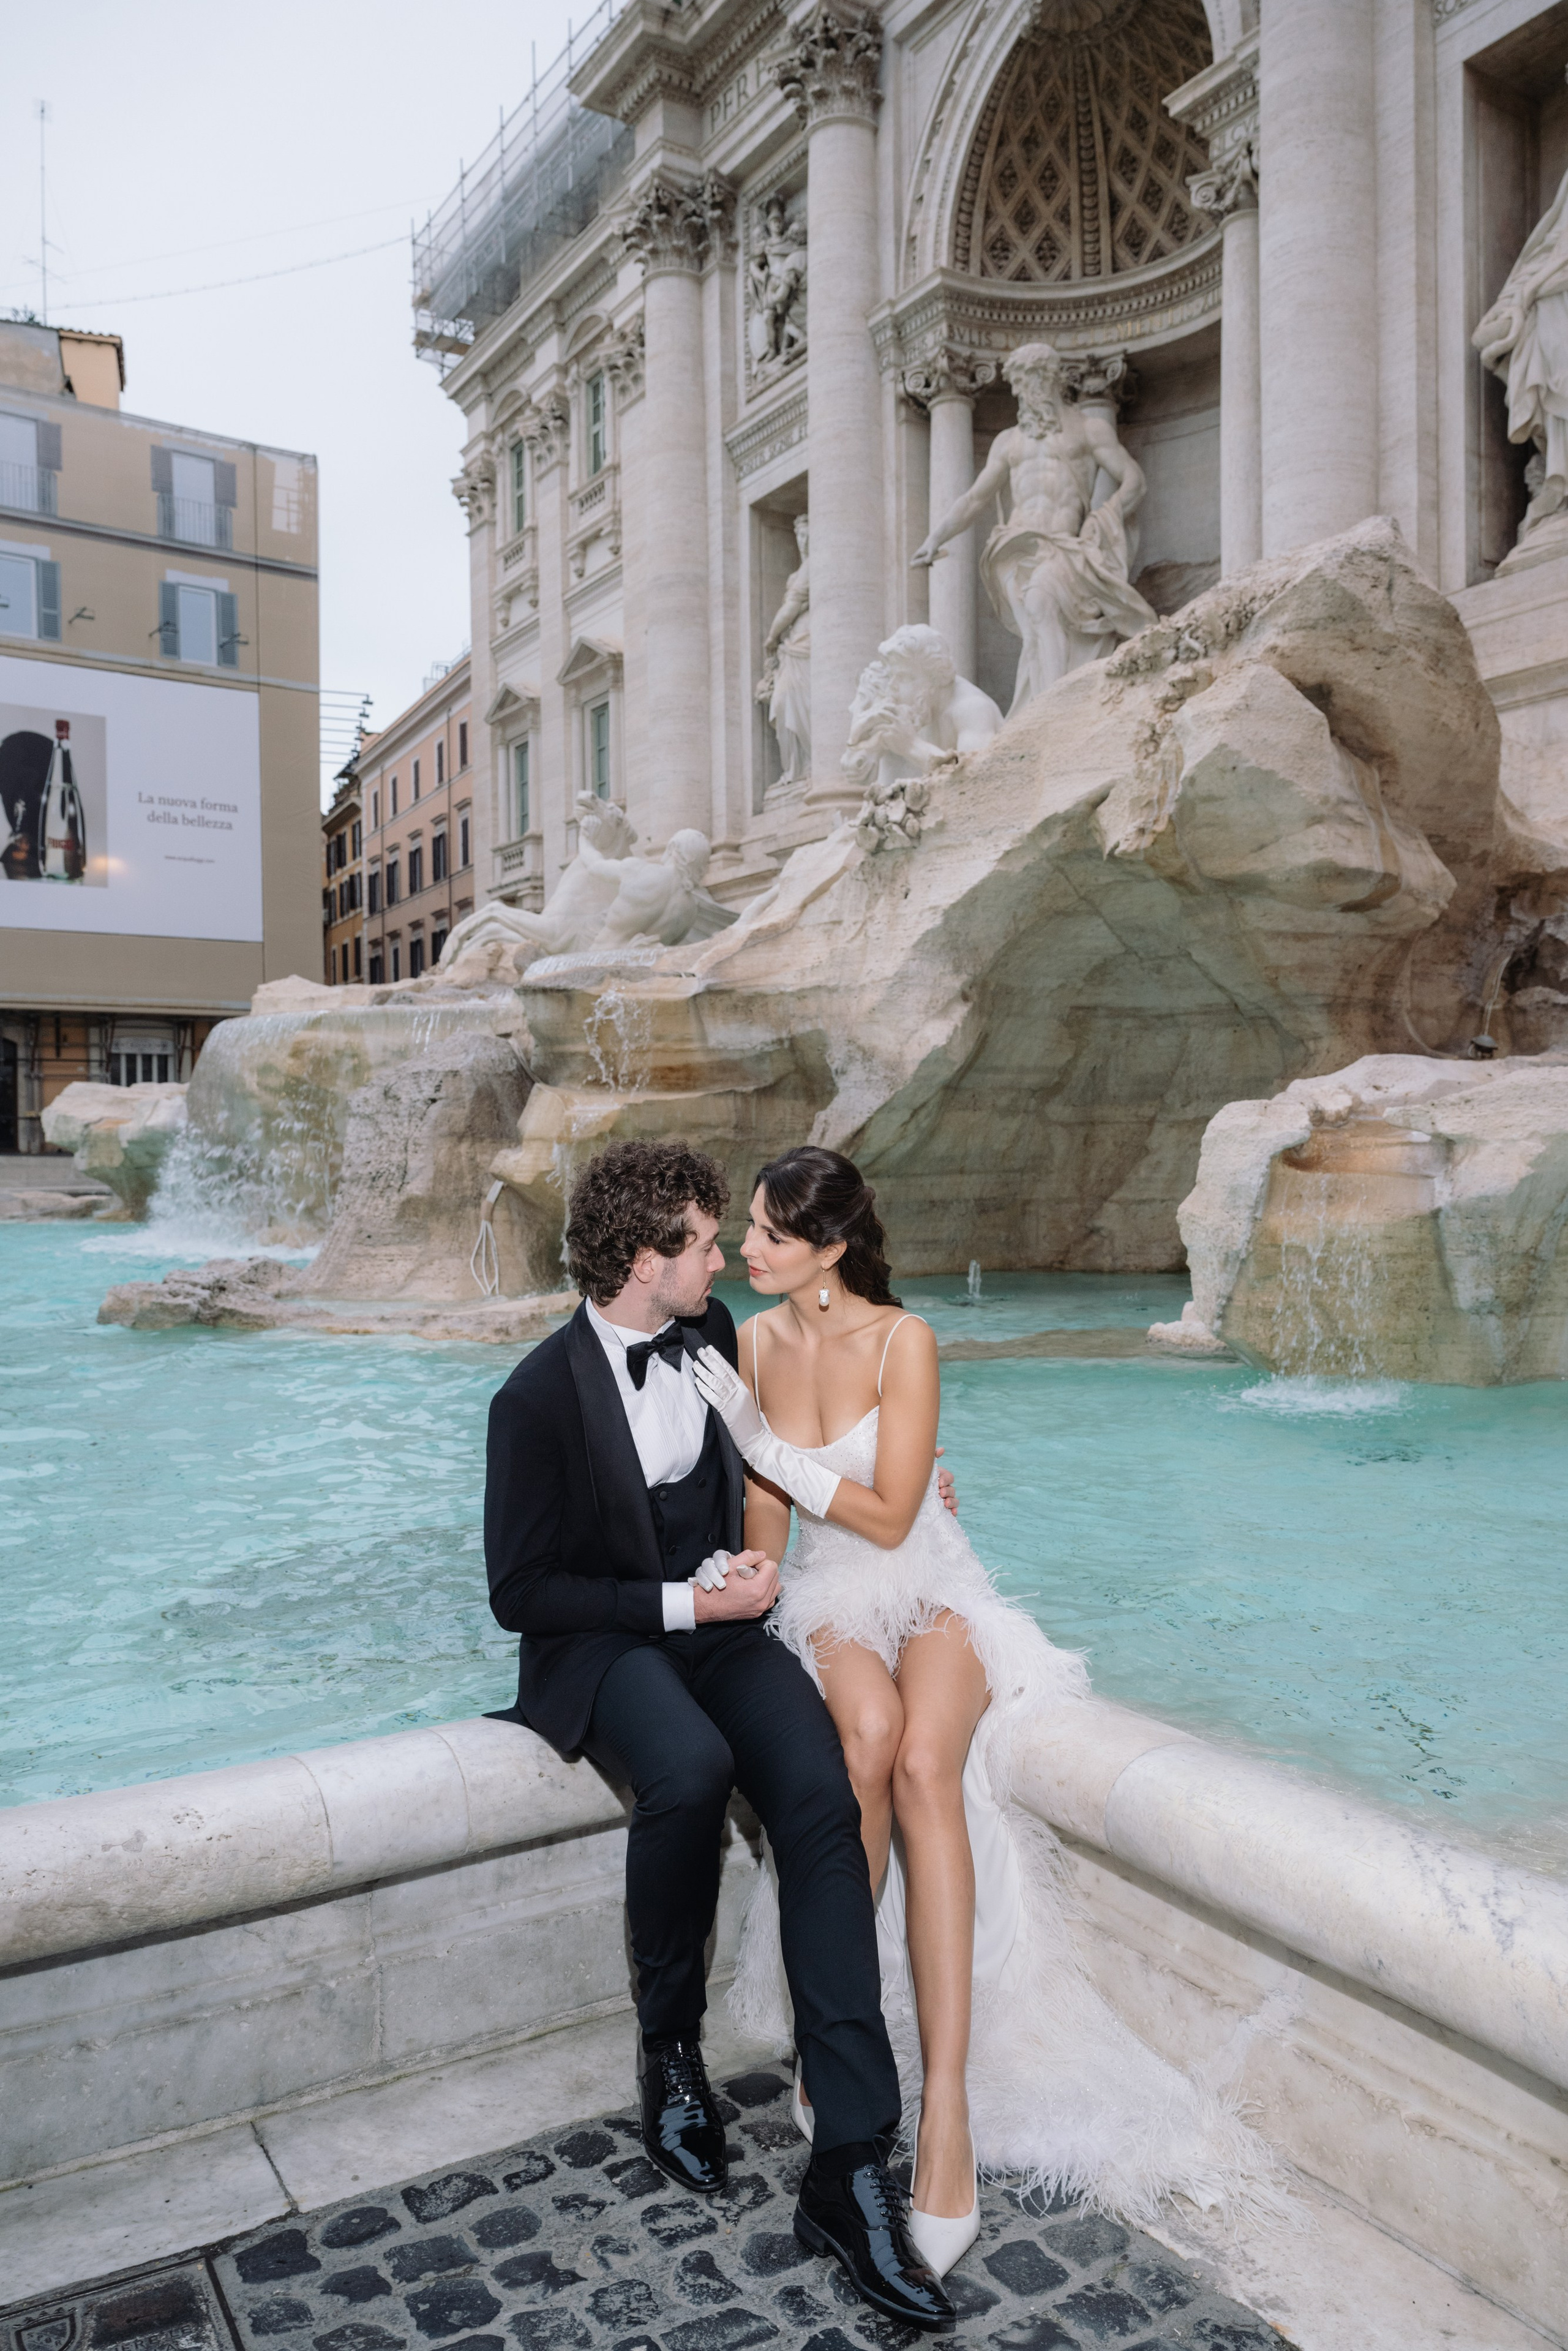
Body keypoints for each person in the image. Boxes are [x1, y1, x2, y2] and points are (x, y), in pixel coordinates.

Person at [694, 1146, 1274, 2277]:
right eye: (747, 1230)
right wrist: (748, 1571)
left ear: (826, 1247)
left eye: (764, 1232)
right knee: (860, 1743)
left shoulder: (906, 1340)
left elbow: (896, 1505)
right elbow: (774, 1520)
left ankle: (946, 2106)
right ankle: (838, 2033)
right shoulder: (753, 1341)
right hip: (830, 1594)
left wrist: (766, 1448)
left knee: (922, 1764)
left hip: (933, 1578)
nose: (744, 1248)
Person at [483, 1140, 956, 2333]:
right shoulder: (532, 1397)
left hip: (718, 1622)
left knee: (816, 1782)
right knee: (688, 1770)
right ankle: (669, 2051)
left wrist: (758, 1562)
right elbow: (522, 1591)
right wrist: (689, 1602)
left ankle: (851, 2163)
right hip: (609, 1642)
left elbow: (768, 1481)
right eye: (705, 1241)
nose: (723, 1258)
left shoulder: (710, 1342)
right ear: (647, 1260)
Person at [911, 341, 1156, 715]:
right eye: (1018, 383)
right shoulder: (1008, 441)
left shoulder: (1088, 429)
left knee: (1042, 601)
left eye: (1031, 380)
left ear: (1053, 379)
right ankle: (1046, 706)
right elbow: (976, 498)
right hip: (1013, 547)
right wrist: (935, 538)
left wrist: (1101, 518)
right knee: (1034, 634)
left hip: (1062, 546)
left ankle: (1051, 709)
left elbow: (1133, 481)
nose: (1023, 391)